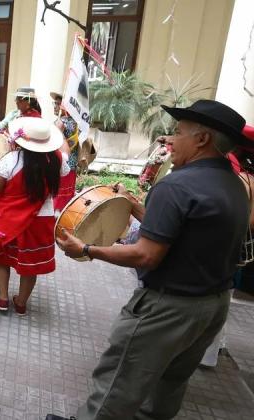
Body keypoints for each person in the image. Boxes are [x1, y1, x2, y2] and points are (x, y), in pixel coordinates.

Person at [52, 100, 249, 420]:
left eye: (177, 132)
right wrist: (133, 205)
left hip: (168, 309)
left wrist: (88, 249)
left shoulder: (178, 185)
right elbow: (185, 233)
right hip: (212, 307)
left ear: (202, 140)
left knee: (119, 382)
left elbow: (146, 254)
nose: (169, 140)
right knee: (169, 384)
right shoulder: (234, 185)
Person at [0, 117, 68, 314]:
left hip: (8, 220)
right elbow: (66, 169)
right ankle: (21, 303)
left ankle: (3, 298)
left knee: (2, 259)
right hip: (41, 221)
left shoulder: (12, 160)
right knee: (29, 265)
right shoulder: (57, 159)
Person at [50, 92, 79, 211]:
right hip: (72, 167)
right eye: (55, 103)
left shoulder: (61, 123)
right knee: (67, 199)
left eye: (58, 104)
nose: (55, 106)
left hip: (62, 165)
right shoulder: (76, 123)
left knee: (58, 201)